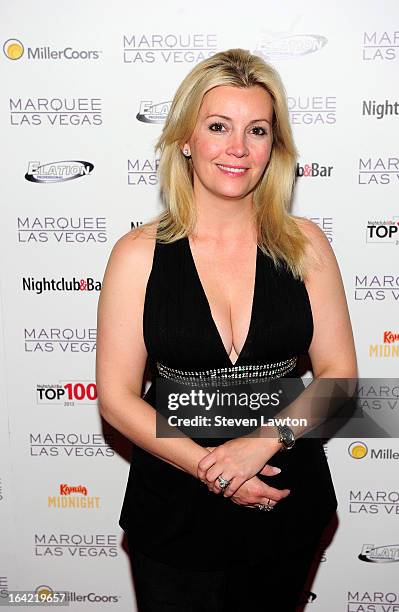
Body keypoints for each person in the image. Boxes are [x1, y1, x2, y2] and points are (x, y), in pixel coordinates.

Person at [96, 48, 357, 611]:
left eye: (257, 130)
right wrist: (215, 470)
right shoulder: (138, 255)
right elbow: (116, 398)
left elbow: (339, 378)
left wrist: (256, 447)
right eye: (219, 126)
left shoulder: (305, 244)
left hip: (286, 494)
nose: (238, 148)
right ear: (187, 138)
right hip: (173, 505)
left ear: (274, 147)